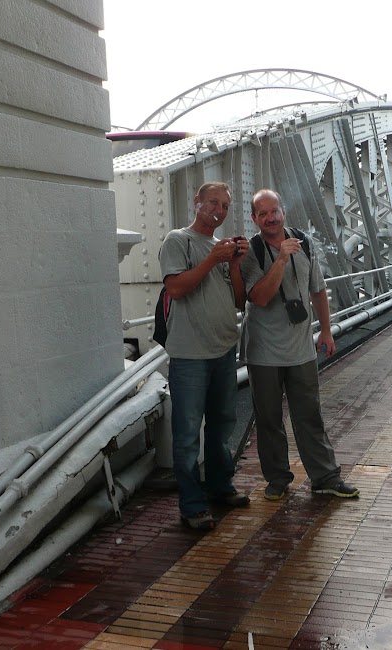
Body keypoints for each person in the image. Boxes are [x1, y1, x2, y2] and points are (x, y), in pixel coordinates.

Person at [240, 189, 359, 501]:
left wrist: (327, 332)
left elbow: (317, 289)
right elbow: (260, 297)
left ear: (283, 211)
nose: (270, 217)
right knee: (268, 419)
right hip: (264, 350)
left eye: (274, 210)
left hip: (301, 348)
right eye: (262, 213)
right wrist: (280, 257)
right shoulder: (251, 250)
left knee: (309, 414)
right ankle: (277, 479)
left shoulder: (304, 241)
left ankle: (325, 477)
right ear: (255, 219)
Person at [158, 181, 251, 531]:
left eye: (225, 205)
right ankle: (192, 504)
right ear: (196, 201)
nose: (219, 210)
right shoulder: (177, 240)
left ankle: (219, 487)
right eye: (213, 202)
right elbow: (177, 289)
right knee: (186, 434)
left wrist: (236, 264)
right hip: (189, 355)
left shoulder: (220, 249)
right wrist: (214, 259)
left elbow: (239, 300)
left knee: (222, 426)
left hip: (223, 349)